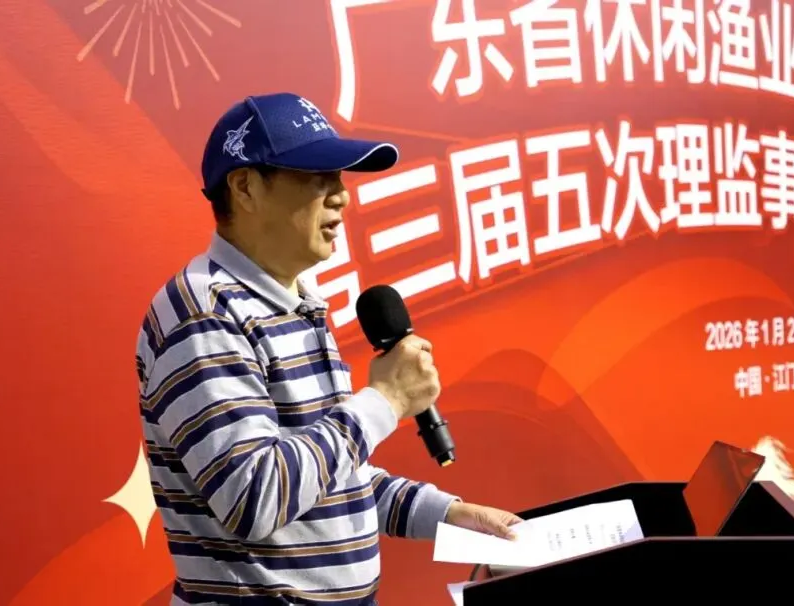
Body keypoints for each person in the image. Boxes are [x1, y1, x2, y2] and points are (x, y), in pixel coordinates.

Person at [135, 92, 521, 605]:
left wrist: (447, 515)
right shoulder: (203, 315)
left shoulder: (297, 302)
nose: (341, 196)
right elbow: (255, 497)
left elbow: (329, 480)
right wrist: (385, 402)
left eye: (339, 177)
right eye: (317, 176)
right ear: (245, 187)